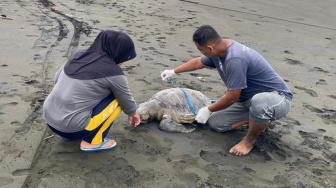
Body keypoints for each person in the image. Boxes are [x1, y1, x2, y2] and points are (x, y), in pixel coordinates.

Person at [161, 25, 292, 156]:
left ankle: (248, 141)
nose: (201, 53)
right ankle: (260, 120)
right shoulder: (220, 50)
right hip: (247, 101)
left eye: (201, 50)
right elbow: (198, 63)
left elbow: (232, 97)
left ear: (210, 48)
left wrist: (209, 109)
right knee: (216, 123)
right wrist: (173, 71)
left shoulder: (235, 59)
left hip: (277, 99)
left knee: (260, 102)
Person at [43, 30, 141, 152]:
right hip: (73, 129)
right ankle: (93, 142)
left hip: (49, 119)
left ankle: (67, 133)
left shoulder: (79, 55)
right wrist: (133, 114)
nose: (122, 63)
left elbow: (57, 78)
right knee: (117, 99)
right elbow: (127, 102)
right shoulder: (114, 74)